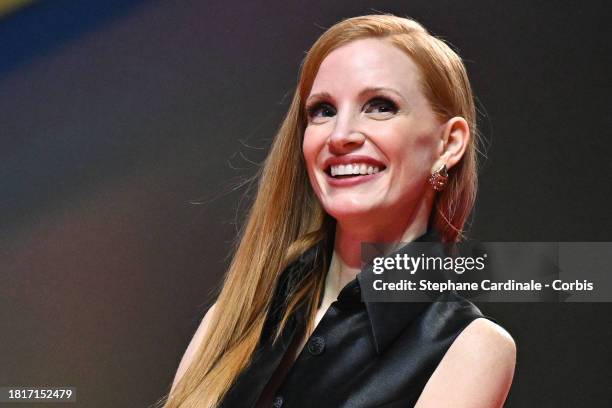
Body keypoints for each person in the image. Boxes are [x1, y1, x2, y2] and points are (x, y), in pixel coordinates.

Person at [162, 14, 516, 408]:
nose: (341, 135)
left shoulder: (469, 348)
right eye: (323, 111)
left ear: (448, 144)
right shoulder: (230, 322)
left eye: (380, 106)